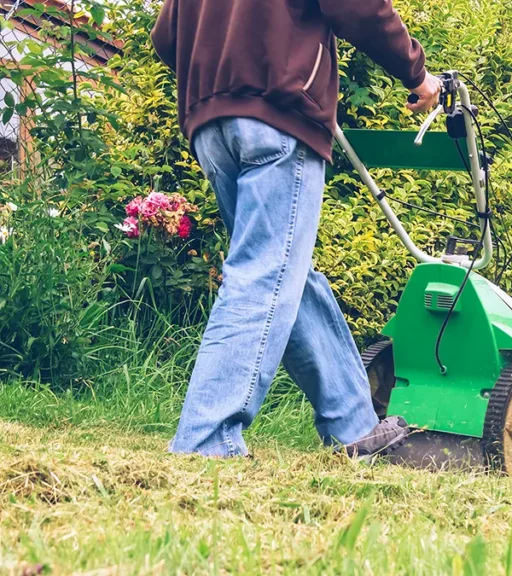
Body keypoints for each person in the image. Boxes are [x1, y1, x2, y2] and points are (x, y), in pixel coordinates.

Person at [150, 0, 441, 459]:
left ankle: (355, 428)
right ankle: (206, 439)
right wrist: (417, 75)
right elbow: (358, 5)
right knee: (264, 274)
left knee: (287, 274)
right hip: (279, 112)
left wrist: (222, 73)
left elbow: (166, 36)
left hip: (210, 123)